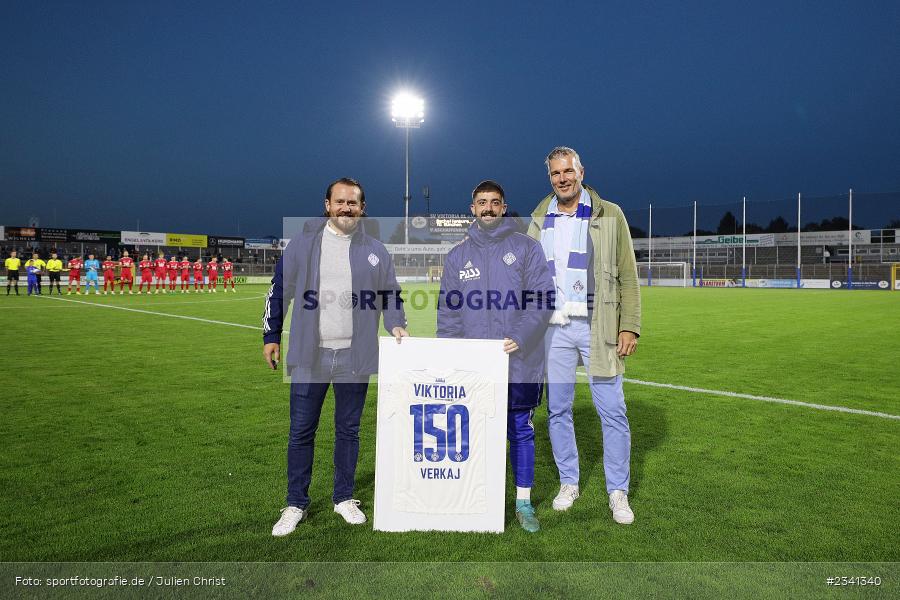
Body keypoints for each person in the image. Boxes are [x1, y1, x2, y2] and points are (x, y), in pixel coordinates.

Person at [262, 177, 408, 535]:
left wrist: (396, 325)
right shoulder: (303, 244)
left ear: (362, 209)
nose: (346, 208)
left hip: (354, 356)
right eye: (339, 202)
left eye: (353, 203)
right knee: (300, 432)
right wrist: (271, 334)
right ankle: (295, 503)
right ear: (327, 205)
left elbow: (390, 294)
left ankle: (343, 497)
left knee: (349, 430)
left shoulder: (375, 250)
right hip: (310, 355)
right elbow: (279, 290)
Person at [527, 147, 641, 525]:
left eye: (568, 171)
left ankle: (617, 490)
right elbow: (522, 269)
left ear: (581, 172)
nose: (563, 178)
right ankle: (569, 482)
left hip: (599, 326)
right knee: (557, 409)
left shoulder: (610, 213)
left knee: (613, 411)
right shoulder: (539, 217)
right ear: (550, 178)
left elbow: (628, 273)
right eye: (556, 173)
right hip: (554, 330)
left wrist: (630, 325)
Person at [437, 180, 555, 533]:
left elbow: (543, 299)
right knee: (472, 432)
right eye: (481, 203)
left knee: (519, 430)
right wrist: (449, 355)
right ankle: (476, 497)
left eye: (495, 203)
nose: (488, 208)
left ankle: (523, 502)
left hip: (519, 361)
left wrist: (519, 336)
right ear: (472, 208)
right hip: (474, 368)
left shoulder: (526, 248)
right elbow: (449, 313)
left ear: (504, 207)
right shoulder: (457, 256)